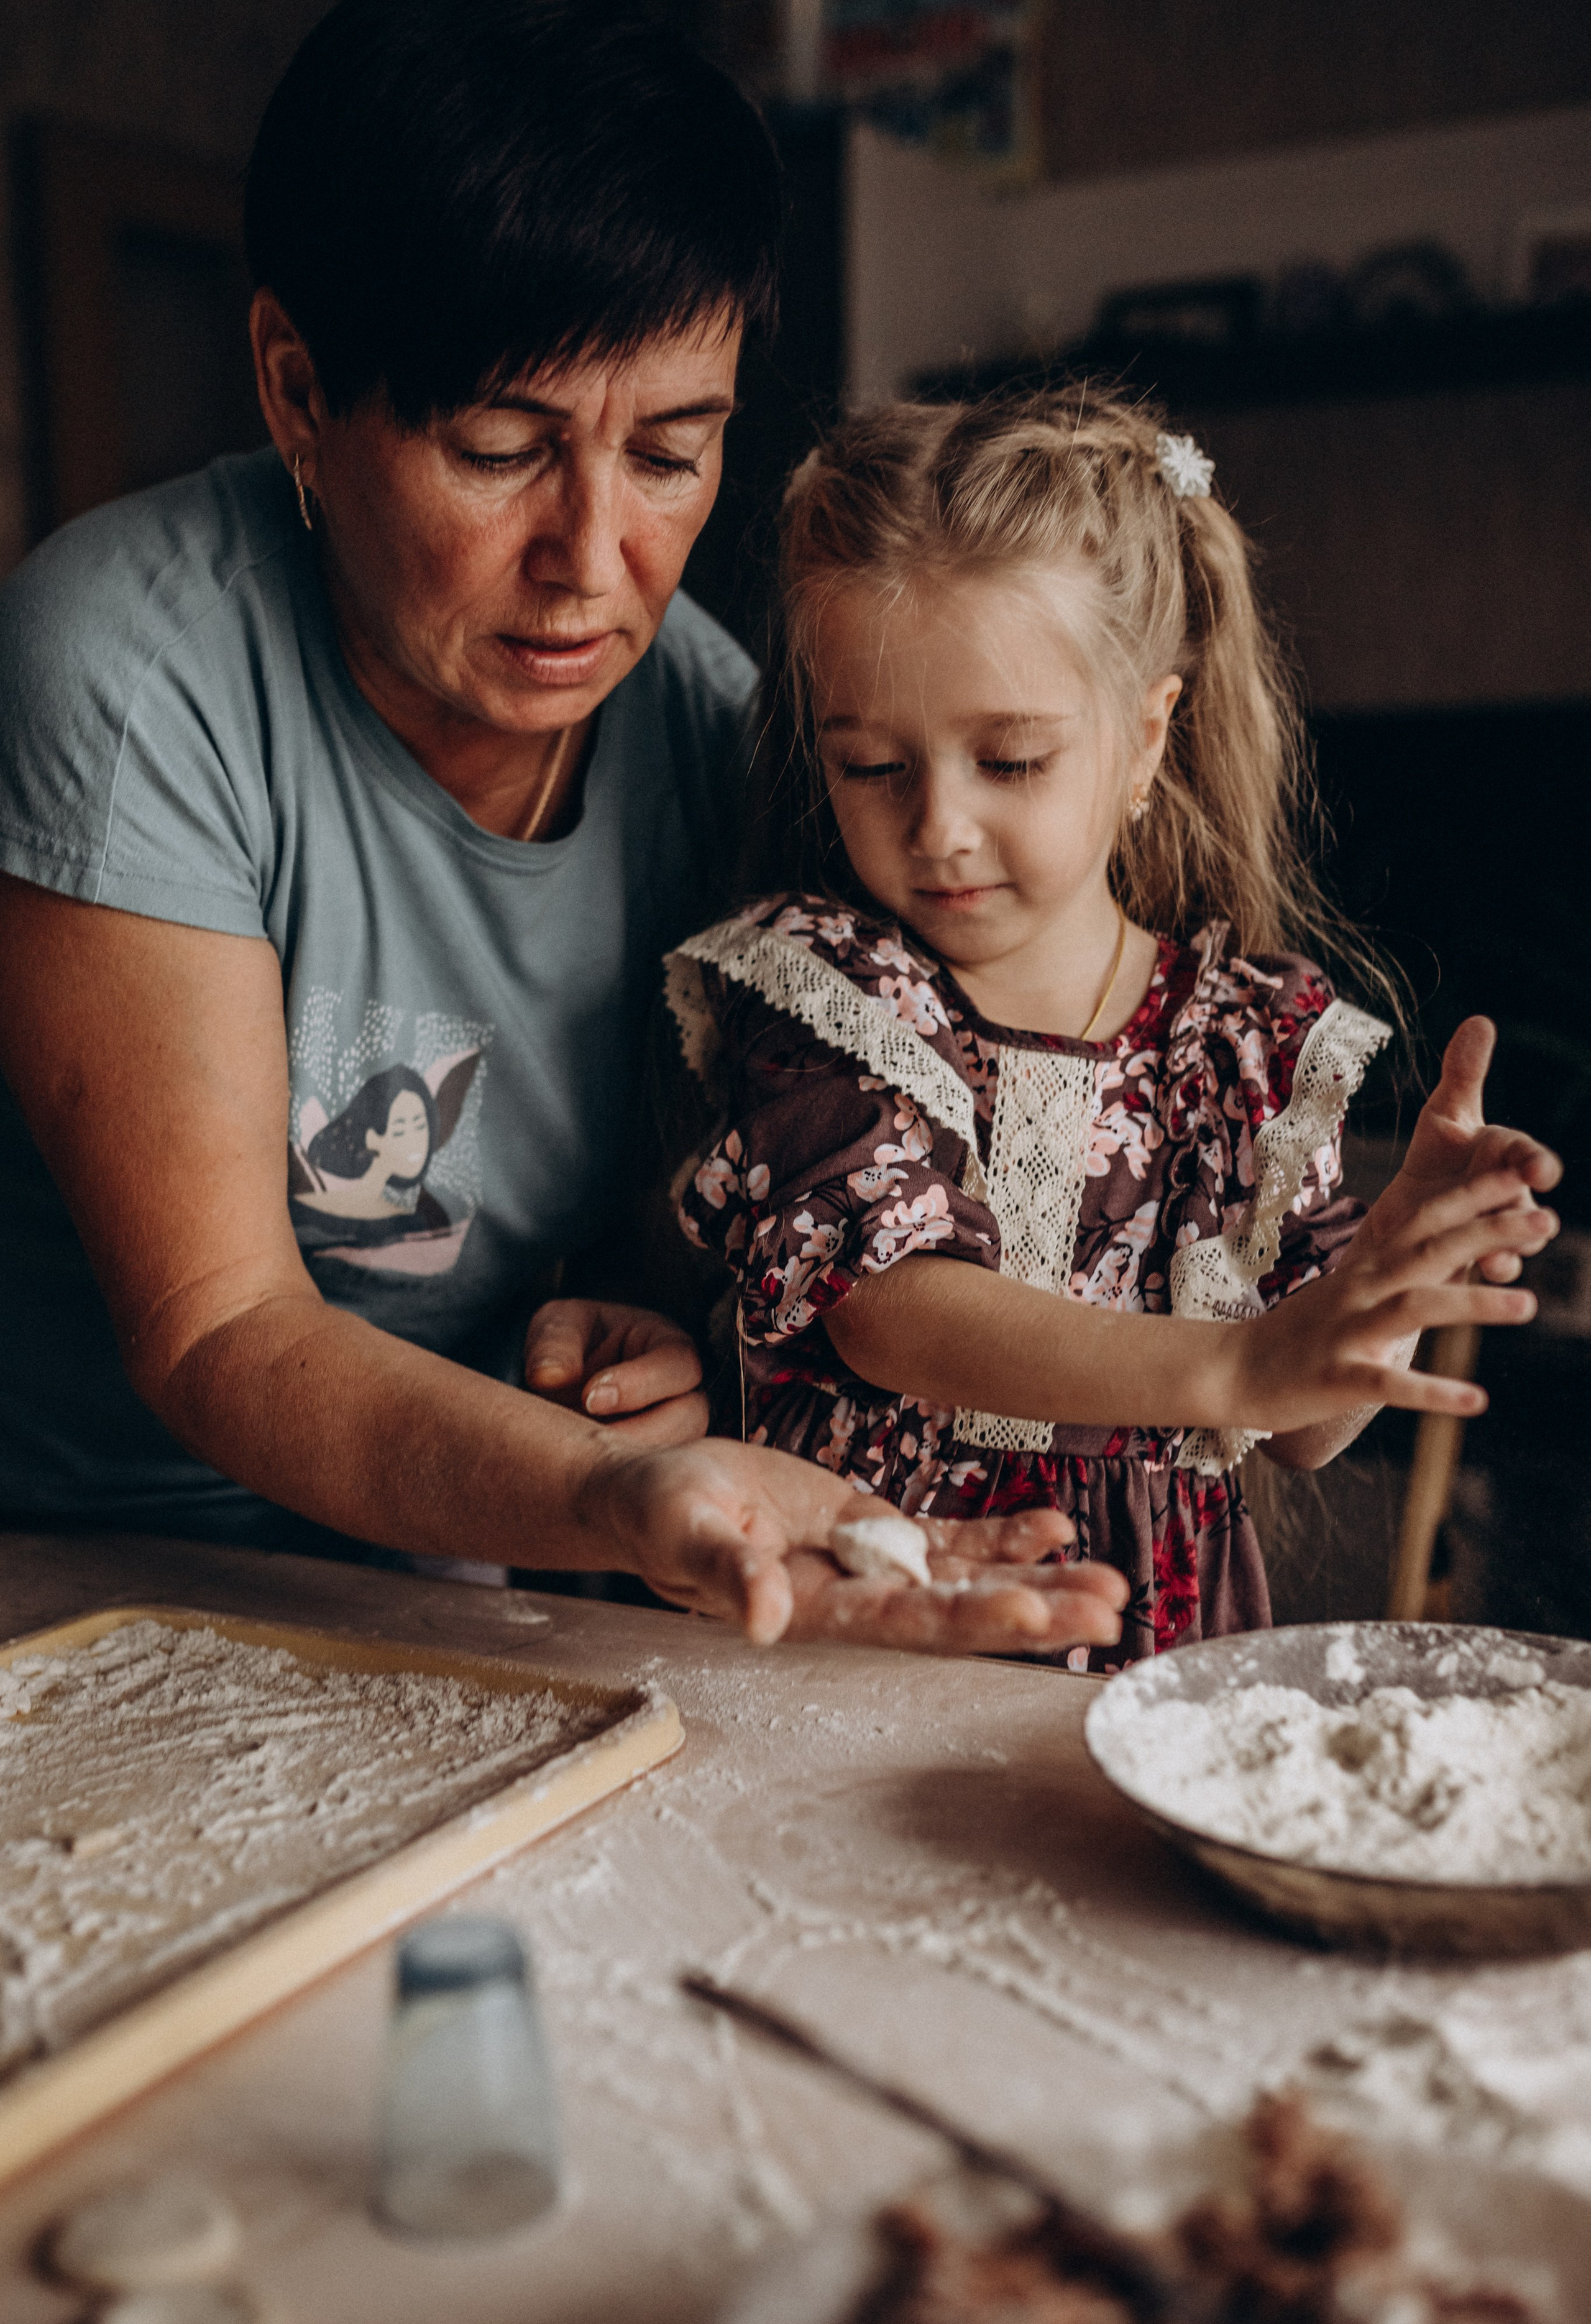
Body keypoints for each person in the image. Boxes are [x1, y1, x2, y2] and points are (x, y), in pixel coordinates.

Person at [0, 1, 1132, 1660]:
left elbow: (705, 1200)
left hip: (474, 1558)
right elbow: (223, 1324)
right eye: (502, 447)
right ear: (298, 387)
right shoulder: (127, 669)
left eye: (674, 452)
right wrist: (596, 1495)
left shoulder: (715, 726)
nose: (594, 557)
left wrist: (654, 1333)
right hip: (80, 1564)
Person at [670, 387, 1560, 1660]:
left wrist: (1389, 1279)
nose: (938, 827)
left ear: (1145, 738)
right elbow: (891, 1307)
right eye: (871, 763)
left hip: (1147, 1657)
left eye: (1010, 759)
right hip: (871, 1619)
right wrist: (1234, 1366)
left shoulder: (1241, 1042)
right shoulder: (826, 992)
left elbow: (1305, 1422)